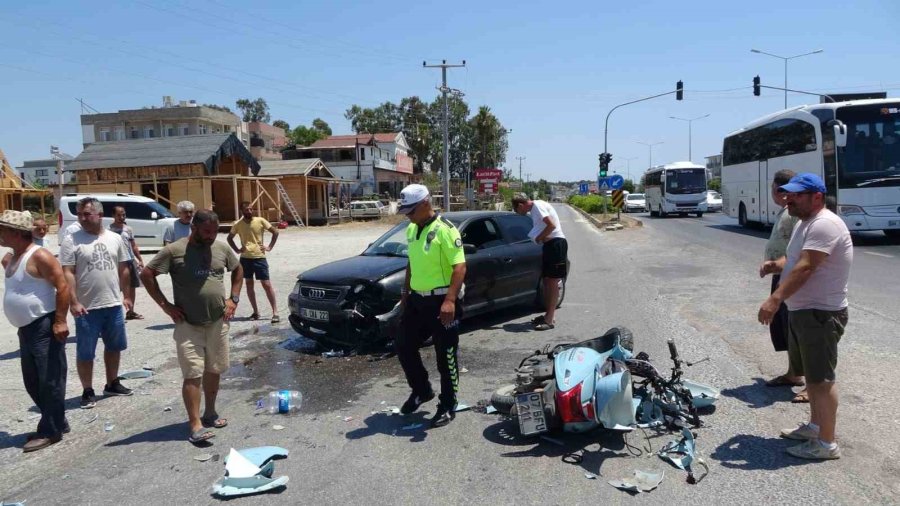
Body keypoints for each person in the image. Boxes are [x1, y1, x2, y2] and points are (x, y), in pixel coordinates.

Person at [757, 173, 853, 460]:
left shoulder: (824, 224)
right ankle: (814, 427)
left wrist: (775, 299)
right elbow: (798, 258)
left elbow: (807, 266)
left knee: (822, 381)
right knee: (812, 379)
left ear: (817, 197)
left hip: (820, 313)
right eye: (788, 194)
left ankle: (826, 444)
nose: (789, 198)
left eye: (797, 194)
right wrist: (777, 265)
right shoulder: (805, 223)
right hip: (805, 311)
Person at [142, 210, 243, 444]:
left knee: (214, 369)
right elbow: (147, 274)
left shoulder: (220, 248)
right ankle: (195, 424)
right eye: (207, 231)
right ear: (194, 228)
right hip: (188, 324)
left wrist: (233, 299)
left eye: (215, 232)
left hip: (218, 322)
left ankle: (210, 413)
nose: (211, 236)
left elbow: (238, 270)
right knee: (192, 374)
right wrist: (166, 306)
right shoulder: (174, 251)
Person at [394, 184, 466, 427]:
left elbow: (460, 266)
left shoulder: (446, 230)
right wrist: (405, 292)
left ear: (425, 204)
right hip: (417, 299)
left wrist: (450, 300)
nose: (407, 215)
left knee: (445, 356)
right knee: (403, 345)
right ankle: (422, 390)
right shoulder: (412, 230)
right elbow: (412, 264)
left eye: (410, 210)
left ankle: (448, 404)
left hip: (442, 301)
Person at [1, 210, 71, 452]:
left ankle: (50, 431)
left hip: (43, 325)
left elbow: (62, 287)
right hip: (26, 329)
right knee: (32, 381)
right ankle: (57, 420)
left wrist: (60, 321)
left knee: (49, 379)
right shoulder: (12, 257)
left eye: (2, 229)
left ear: (15, 232)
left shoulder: (39, 255)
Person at [59, 197, 134, 409]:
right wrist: (73, 302)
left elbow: (124, 268)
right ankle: (87, 390)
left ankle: (112, 382)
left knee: (114, 346)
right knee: (85, 351)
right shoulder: (71, 240)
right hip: (86, 307)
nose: (82, 218)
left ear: (99, 215)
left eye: (87, 214)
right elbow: (68, 273)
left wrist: (127, 296)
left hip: (112, 304)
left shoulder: (115, 238)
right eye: (80, 214)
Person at [759, 170, 806, 402]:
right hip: (781, 273)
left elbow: (798, 252)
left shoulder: (796, 214)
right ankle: (794, 373)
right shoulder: (786, 212)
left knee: (798, 328)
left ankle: (810, 383)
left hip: (791, 276)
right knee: (785, 326)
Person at [511, 193, 568, 330]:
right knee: (547, 280)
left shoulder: (537, 207)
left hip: (556, 244)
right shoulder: (537, 207)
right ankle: (549, 315)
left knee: (553, 281)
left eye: (518, 210)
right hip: (551, 245)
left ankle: (549, 320)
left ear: (520, 205)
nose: (520, 214)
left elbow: (551, 225)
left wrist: (539, 238)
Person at [227, 202, 279, 323]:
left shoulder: (260, 220)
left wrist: (269, 247)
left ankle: (275, 312)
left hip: (259, 257)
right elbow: (229, 238)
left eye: (251, 209)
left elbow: (275, 232)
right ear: (242, 211)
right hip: (245, 259)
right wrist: (237, 250)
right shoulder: (238, 224)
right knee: (249, 284)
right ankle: (256, 312)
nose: (249, 211)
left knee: (266, 284)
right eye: (247, 209)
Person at [109, 206, 145, 321]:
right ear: (113, 216)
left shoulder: (128, 229)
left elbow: (133, 245)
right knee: (115, 287)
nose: (121, 217)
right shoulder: (108, 230)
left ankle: (131, 311)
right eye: (119, 215)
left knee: (132, 286)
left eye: (123, 214)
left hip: (129, 260)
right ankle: (113, 314)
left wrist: (139, 259)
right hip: (116, 262)